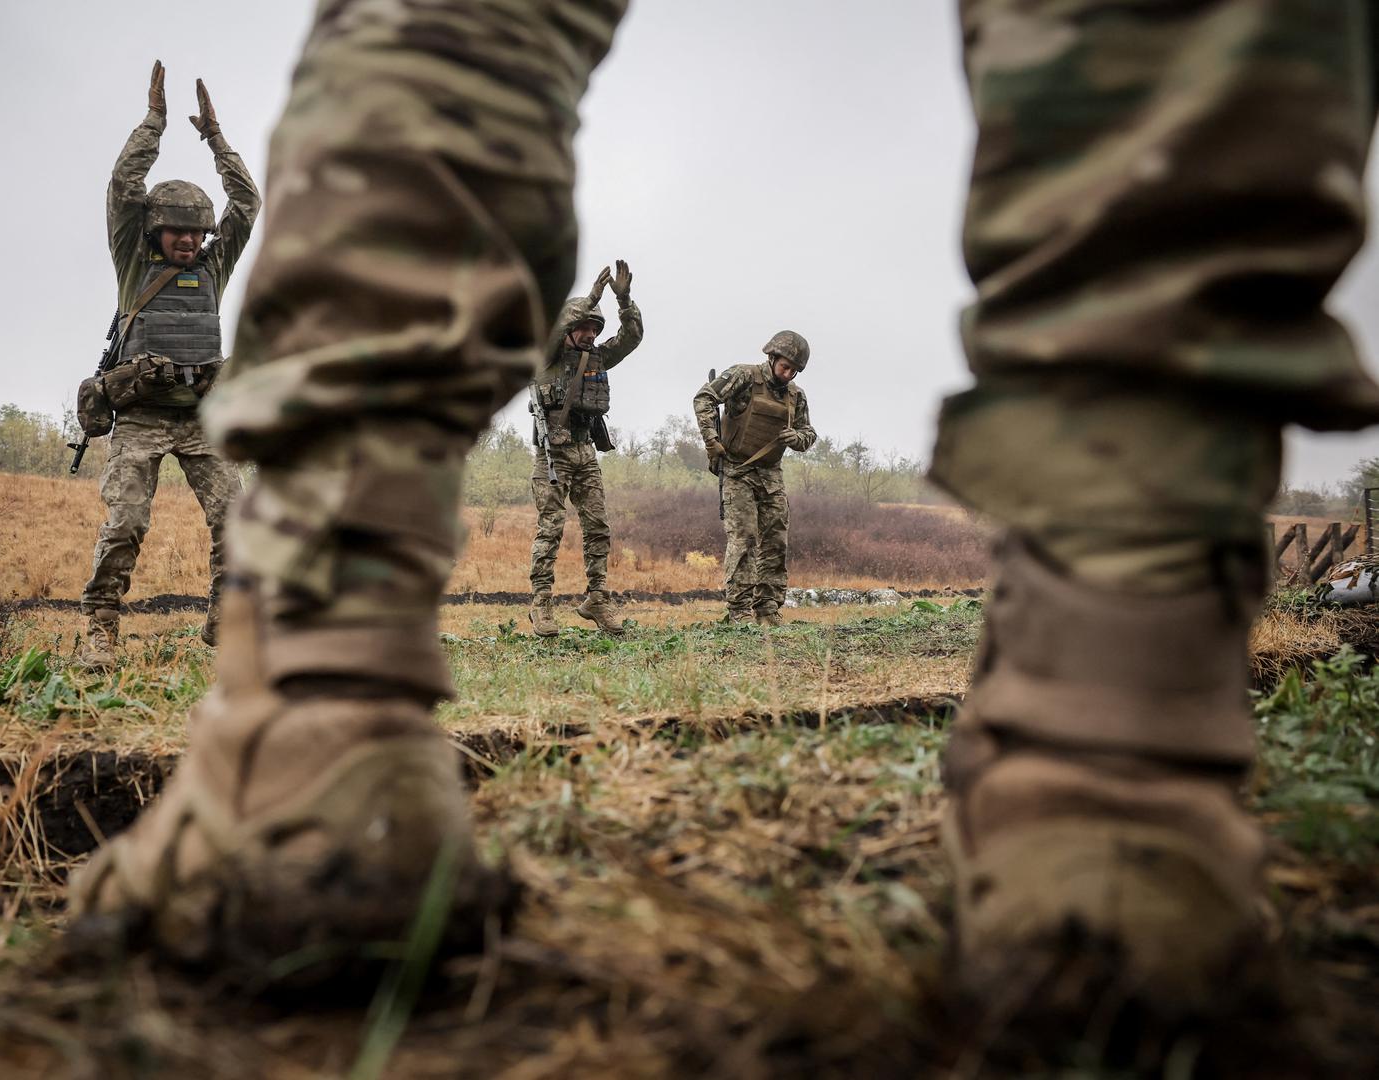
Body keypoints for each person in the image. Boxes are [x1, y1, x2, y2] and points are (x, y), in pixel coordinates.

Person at [71, 1, 1379, 1021]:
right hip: (494, 442)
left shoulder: (663, 366)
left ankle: (315, 717)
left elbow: (636, 350)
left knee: (463, 30)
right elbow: (595, 369)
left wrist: (634, 312)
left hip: (564, 449)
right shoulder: (587, 363)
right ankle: (1125, 749)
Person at [75, 61, 261, 670]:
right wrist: (153, 123)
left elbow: (247, 201)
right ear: (154, 230)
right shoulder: (133, 262)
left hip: (204, 418)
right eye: (177, 231)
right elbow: (122, 185)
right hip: (141, 418)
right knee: (126, 523)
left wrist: (215, 137)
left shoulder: (213, 266)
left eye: (196, 231)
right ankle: (100, 628)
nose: (188, 240)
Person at [526, 263, 644, 636]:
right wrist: (592, 298)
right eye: (585, 328)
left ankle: (597, 599)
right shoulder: (547, 354)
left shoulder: (597, 357)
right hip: (552, 455)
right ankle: (541, 605)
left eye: (595, 329)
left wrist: (623, 299)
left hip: (585, 452)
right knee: (551, 527)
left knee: (598, 527)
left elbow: (633, 337)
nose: (591, 334)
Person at [693, 331, 817, 627]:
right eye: (784, 367)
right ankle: (740, 610)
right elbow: (704, 398)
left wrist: (796, 437)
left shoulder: (795, 396)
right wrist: (712, 440)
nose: (787, 374)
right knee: (744, 538)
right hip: (737, 470)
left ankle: (768, 610)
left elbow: (809, 433)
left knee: (776, 541)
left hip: (771, 475)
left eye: (793, 370)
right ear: (772, 358)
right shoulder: (743, 376)